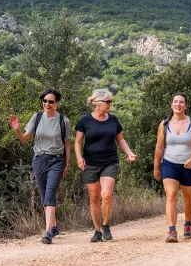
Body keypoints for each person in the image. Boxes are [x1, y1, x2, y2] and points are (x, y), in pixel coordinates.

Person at [8, 87, 71, 244]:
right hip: (39, 160)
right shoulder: (36, 118)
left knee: (50, 192)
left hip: (57, 161)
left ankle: (48, 232)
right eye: (45, 101)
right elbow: (24, 140)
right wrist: (17, 130)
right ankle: (54, 226)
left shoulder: (64, 121)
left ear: (56, 103)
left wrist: (68, 164)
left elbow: (67, 144)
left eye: (51, 101)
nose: (47, 104)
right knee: (44, 195)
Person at [75, 89, 137, 242]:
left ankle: (105, 224)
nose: (110, 104)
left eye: (111, 101)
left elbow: (120, 140)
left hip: (110, 161)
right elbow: (77, 142)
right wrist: (79, 157)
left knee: (107, 194)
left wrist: (129, 153)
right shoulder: (85, 120)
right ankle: (97, 231)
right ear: (97, 103)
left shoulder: (113, 120)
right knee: (94, 198)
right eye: (108, 101)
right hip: (90, 163)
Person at [153, 93, 191, 243]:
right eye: (175, 102)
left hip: (189, 165)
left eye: (181, 102)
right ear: (171, 104)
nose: (178, 104)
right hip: (169, 163)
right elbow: (159, 147)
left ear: (185, 106)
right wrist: (156, 167)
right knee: (171, 195)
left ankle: (187, 224)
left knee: (188, 199)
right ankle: (171, 231)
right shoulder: (164, 124)